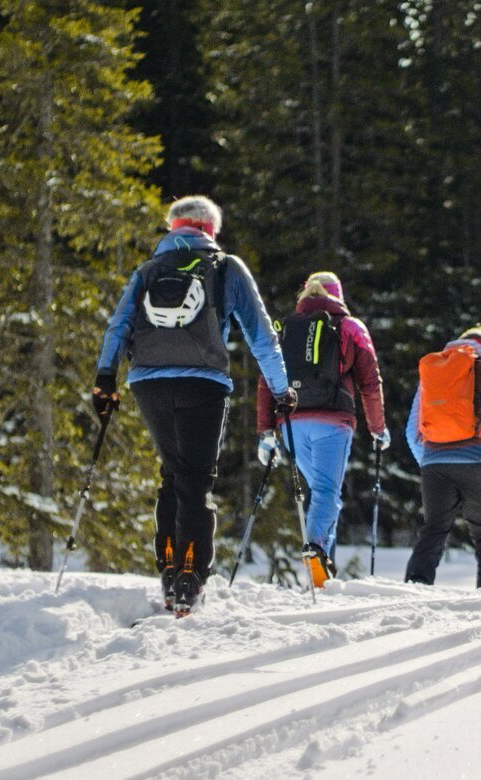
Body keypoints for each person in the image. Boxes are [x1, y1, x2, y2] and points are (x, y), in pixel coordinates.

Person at [90, 195, 295, 615]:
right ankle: (190, 579)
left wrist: (104, 379)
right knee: (196, 479)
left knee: (174, 474)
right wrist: (281, 388)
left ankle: (169, 571)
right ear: (210, 230)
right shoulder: (224, 266)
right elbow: (260, 334)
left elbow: (118, 325)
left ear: (172, 228)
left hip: (148, 381)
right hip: (203, 382)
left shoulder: (148, 270)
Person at [254, 272, 390, 587]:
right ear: (338, 296)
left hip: (291, 423)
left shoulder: (285, 328)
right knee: (327, 492)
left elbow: (265, 381)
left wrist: (265, 432)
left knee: (322, 492)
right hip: (333, 421)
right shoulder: (351, 327)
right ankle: (316, 551)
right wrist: (377, 428)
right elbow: (370, 382)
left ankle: (323, 569)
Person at [404, 325, 481, 591]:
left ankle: (416, 586)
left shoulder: (433, 375)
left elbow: (411, 431)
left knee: (434, 529)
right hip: (477, 460)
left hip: (434, 463)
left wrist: (428, 461)